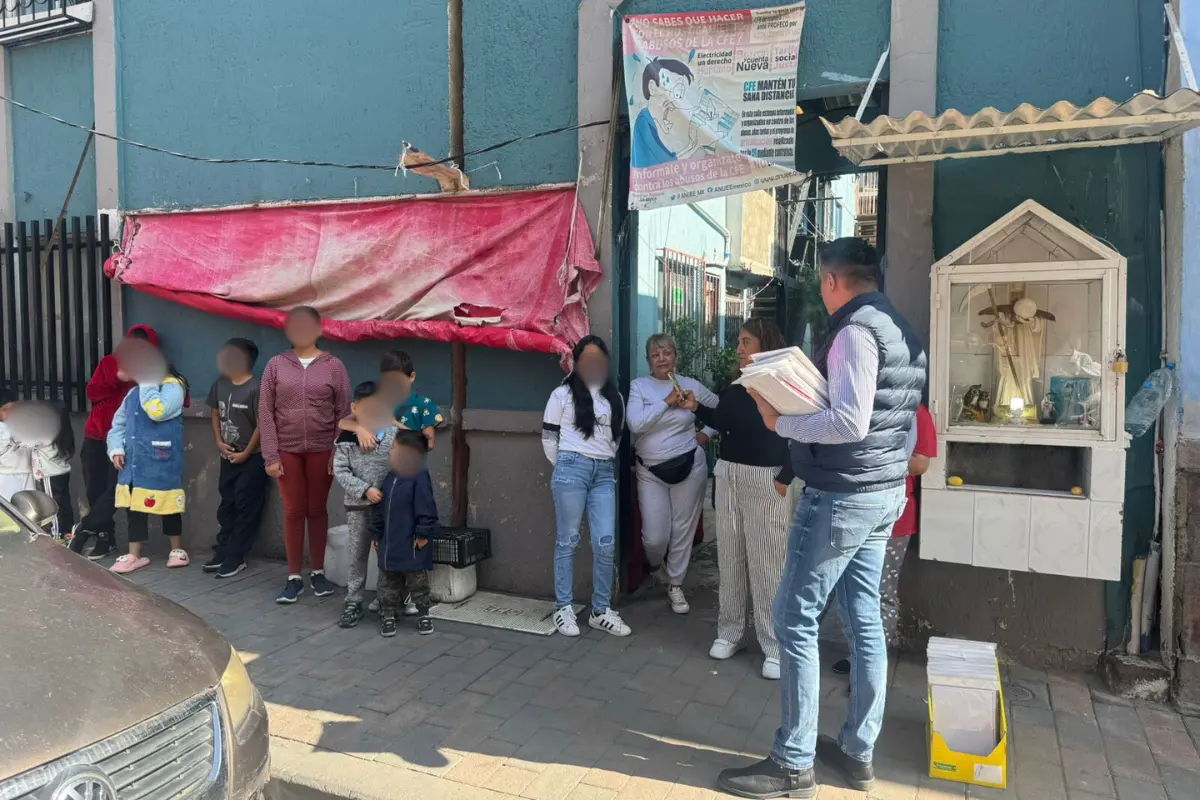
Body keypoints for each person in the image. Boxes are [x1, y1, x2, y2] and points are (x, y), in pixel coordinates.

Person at [718, 238, 926, 799]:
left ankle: (793, 763)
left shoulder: (856, 331)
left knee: (794, 619)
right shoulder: (901, 330)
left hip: (841, 495)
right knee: (862, 620)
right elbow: (902, 426)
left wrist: (780, 420)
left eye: (821, 284)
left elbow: (850, 422)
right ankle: (857, 753)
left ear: (832, 282)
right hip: (883, 492)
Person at [690, 319, 792, 681]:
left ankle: (776, 646)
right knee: (730, 557)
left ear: (766, 344)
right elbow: (719, 419)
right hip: (729, 474)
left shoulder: (783, 384)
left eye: (746, 341)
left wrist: (786, 476)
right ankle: (730, 632)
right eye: (739, 342)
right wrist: (695, 409)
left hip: (767, 478)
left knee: (768, 565)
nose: (739, 349)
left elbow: (804, 431)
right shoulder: (737, 383)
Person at [830, 401, 935, 676]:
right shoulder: (856, 406)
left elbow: (920, 463)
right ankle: (856, 655)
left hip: (893, 518)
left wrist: (870, 463)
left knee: (880, 593)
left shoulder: (916, 412)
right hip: (852, 512)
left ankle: (871, 666)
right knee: (850, 591)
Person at [259, 306, 352, 604]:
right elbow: (265, 411)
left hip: (323, 448)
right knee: (293, 510)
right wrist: (270, 455)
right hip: (286, 449)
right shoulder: (275, 365)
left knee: (317, 509)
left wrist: (337, 454)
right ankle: (294, 576)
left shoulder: (334, 366)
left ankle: (319, 572)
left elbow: (344, 412)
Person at [543, 335, 631, 638]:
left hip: (604, 473)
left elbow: (616, 440)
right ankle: (563, 608)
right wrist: (568, 469)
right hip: (571, 469)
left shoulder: (614, 398)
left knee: (605, 542)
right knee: (567, 541)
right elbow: (548, 438)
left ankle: (600, 610)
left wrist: (597, 461)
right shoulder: (562, 395)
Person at [627, 333, 718, 615]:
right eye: (656, 354)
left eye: (667, 352)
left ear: (675, 357)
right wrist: (667, 401)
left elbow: (721, 410)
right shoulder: (639, 387)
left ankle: (676, 584)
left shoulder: (690, 386)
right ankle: (656, 566)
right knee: (654, 537)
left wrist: (705, 432)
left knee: (682, 529)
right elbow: (635, 424)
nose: (662, 358)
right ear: (648, 361)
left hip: (690, 466)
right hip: (650, 471)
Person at [71, 325, 158, 560]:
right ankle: (104, 536)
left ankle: (86, 528)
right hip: (96, 435)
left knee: (117, 490)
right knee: (95, 488)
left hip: (127, 441)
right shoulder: (109, 363)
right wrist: (116, 379)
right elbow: (92, 392)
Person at [106, 336, 191, 575]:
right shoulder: (133, 393)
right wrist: (116, 449)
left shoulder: (173, 385)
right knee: (135, 507)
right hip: (134, 462)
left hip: (161, 460)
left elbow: (157, 411)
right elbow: (117, 425)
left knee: (168, 503)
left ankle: (177, 548)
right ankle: (134, 554)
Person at [333, 380, 398, 629]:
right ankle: (354, 600)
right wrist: (364, 490)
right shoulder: (346, 438)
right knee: (357, 554)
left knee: (385, 553)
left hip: (386, 507)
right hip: (358, 507)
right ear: (355, 408)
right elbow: (341, 470)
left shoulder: (393, 435)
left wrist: (388, 494)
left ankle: (387, 600)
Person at [204, 337, 266, 578]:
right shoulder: (220, 383)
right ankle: (223, 549)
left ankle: (236, 556)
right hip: (227, 454)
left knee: (245, 505)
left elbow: (262, 426)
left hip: (252, 457)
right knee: (227, 503)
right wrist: (219, 442)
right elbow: (215, 412)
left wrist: (246, 453)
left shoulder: (257, 388)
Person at [375, 429, 439, 637]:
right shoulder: (389, 477)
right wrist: (376, 534)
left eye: (393, 448)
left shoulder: (418, 476)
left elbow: (426, 507)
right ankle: (388, 615)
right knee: (387, 582)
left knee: (417, 582)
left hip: (411, 542)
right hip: (389, 543)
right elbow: (379, 508)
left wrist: (423, 534)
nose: (390, 453)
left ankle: (423, 613)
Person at [341, 350, 443, 452]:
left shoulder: (423, 404)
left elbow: (428, 444)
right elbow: (343, 422)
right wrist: (360, 429)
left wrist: (396, 425)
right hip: (379, 465)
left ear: (412, 377)